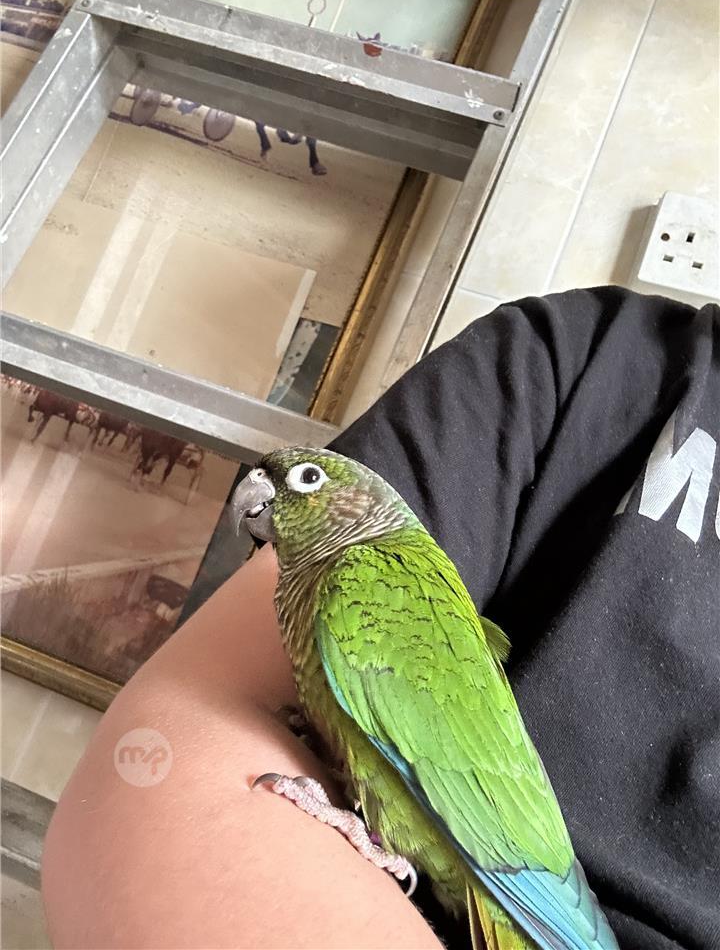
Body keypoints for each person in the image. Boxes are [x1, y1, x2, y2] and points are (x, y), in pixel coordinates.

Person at [42, 287, 719, 949]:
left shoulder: (368, 582)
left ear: (358, 507)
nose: (262, 495)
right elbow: (173, 752)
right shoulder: (573, 353)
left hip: (503, 876)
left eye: (306, 480)